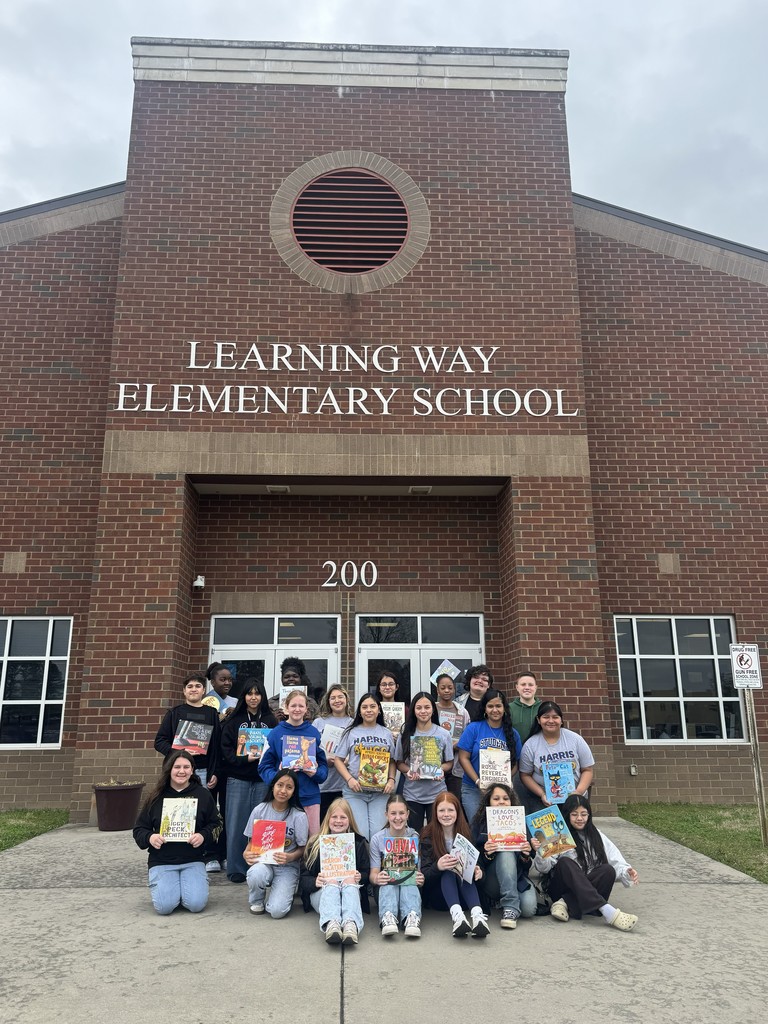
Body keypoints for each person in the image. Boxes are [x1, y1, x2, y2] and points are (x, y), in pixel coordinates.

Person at [533, 793, 639, 931]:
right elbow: (544, 868)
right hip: (561, 888)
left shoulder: (597, 835)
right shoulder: (558, 835)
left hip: (584, 889)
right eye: (574, 814)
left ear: (589, 815)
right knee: (565, 862)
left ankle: (565, 902)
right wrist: (541, 852)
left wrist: (626, 871)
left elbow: (615, 858)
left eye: (584, 814)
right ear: (567, 815)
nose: (579, 818)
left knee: (608, 870)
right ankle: (608, 911)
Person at [133, 750, 220, 915]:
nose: (182, 771)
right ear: (169, 769)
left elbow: (217, 824)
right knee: (164, 908)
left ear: (192, 770)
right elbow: (139, 829)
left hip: (193, 859)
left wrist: (203, 835)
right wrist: (150, 837)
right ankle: (170, 888)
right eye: (177, 767)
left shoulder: (203, 794)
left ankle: (186, 887)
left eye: (186, 767)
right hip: (162, 860)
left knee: (196, 905)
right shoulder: (156, 796)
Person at [220, 677, 277, 883]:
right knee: (236, 824)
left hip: (262, 779)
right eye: (249, 693)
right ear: (243, 696)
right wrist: (244, 759)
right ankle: (236, 868)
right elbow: (225, 750)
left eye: (257, 693)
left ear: (263, 696)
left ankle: (261, 866)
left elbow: (276, 749)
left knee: (262, 825)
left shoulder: (271, 721)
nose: (253, 697)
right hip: (238, 779)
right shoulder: (233, 721)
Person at [300, 797, 370, 945]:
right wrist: (315, 882)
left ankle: (351, 924)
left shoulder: (358, 842)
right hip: (323, 894)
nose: (338, 821)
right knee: (331, 881)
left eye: (343, 817)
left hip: (349, 894)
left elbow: (366, 873)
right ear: (328, 819)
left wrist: (360, 876)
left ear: (350, 820)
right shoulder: (315, 843)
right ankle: (332, 924)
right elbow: (303, 878)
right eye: (334, 817)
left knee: (349, 879)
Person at [420, 791, 490, 938]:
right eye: (442, 810)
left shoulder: (467, 833)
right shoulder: (427, 835)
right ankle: (458, 918)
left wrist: (479, 872)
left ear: (457, 812)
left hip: (466, 896)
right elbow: (424, 877)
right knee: (449, 866)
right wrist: (438, 866)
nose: (446, 814)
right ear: (435, 813)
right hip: (440, 897)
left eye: (450, 810)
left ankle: (478, 917)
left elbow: (480, 868)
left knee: (463, 868)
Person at [259, 689, 328, 835]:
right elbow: (263, 767)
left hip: (309, 797)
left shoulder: (314, 733)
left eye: (301, 706)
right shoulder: (275, 733)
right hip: (282, 798)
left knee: (311, 842)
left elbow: (323, 769)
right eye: (293, 705)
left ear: (306, 709)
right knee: (282, 840)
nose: (297, 709)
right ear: (286, 707)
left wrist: (315, 773)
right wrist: (278, 777)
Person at [243, 768, 308, 918]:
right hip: (263, 862)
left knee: (277, 911)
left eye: (289, 787)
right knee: (256, 873)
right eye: (280, 785)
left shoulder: (299, 816)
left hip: (287, 867)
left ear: (294, 791)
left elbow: (303, 848)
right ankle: (257, 900)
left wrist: (290, 857)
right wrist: (246, 853)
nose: (283, 790)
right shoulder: (259, 810)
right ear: (273, 786)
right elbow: (251, 842)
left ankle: (283, 894)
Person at [471, 783, 536, 929]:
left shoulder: (520, 823)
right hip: (491, 879)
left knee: (528, 909)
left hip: (516, 877)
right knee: (506, 852)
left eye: (506, 799)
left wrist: (525, 855)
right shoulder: (479, 824)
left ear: (511, 801)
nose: (501, 802)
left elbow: (527, 865)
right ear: (488, 801)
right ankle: (510, 907)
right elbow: (474, 860)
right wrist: (486, 854)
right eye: (496, 798)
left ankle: (503, 901)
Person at [333, 693, 397, 840]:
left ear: (379, 710)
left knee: (377, 834)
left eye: (372, 706)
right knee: (361, 834)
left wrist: (391, 780)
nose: (369, 710)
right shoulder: (351, 732)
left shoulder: (386, 733)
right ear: (359, 712)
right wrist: (349, 779)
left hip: (380, 793)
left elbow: (392, 760)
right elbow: (338, 760)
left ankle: (374, 857)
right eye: (364, 707)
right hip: (355, 792)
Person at [456, 688, 522, 824]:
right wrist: (478, 781)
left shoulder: (513, 733)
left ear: (504, 708)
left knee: (499, 826)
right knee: (477, 826)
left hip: (501, 792)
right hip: (473, 788)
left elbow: (516, 763)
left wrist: (505, 779)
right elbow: (463, 758)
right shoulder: (473, 728)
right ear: (485, 709)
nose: (495, 710)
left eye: (498, 706)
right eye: (490, 706)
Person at [518, 700, 595, 812]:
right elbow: (525, 775)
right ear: (538, 720)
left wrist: (578, 792)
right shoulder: (530, 745)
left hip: (575, 798)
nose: (551, 721)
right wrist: (542, 794)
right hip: (542, 801)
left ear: (561, 720)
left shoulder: (575, 739)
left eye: (555, 717)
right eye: (546, 717)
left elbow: (587, 770)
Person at [394, 691, 453, 831]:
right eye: (419, 707)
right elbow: (399, 762)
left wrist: (440, 769)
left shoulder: (443, 734)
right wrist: (409, 771)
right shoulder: (405, 733)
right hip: (412, 794)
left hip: (437, 793)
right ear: (413, 710)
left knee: (437, 834)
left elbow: (449, 763)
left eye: (427, 707)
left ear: (433, 709)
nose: (423, 711)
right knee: (414, 833)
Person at [153, 672, 221, 791]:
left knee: (201, 802)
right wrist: (179, 751)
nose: (194, 689)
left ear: (203, 690)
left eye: (198, 686)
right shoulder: (174, 713)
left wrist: (215, 772)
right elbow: (159, 742)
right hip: (178, 770)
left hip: (204, 771)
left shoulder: (212, 713)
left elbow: (217, 746)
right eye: (190, 686)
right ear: (184, 691)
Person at [369, 793, 424, 938]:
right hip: (385, 888)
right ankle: (388, 916)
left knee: (409, 879)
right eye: (393, 813)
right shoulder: (377, 839)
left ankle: (411, 916)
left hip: (409, 888)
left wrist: (420, 879)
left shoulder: (414, 837)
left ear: (407, 815)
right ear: (386, 815)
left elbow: (418, 871)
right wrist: (377, 878)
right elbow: (373, 874)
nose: (397, 818)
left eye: (401, 813)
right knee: (389, 879)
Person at [313, 685, 354, 817]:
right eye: (333, 698)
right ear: (328, 701)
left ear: (346, 700)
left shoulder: (353, 723)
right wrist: (323, 759)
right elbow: (310, 750)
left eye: (340, 697)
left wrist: (346, 761)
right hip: (323, 784)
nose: (337, 700)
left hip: (345, 785)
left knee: (341, 822)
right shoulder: (318, 722)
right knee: (322, 822)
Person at [435, 673, 471, 798]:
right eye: (443, 688)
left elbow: (468, 736)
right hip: (434, 763)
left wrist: (457, 744)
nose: (447, 690)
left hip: (456, 767)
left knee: (455, 801)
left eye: (450, 688)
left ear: (454, 689)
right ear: (437, 690)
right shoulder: (431, 710)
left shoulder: (462, 712)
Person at [509, 672, 542, 744]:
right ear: (517, 687)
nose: (527, 688)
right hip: (516, 750)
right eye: (523, 684)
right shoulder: (509, 708)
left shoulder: (543, 708)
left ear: (536, 687)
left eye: (530, 685)